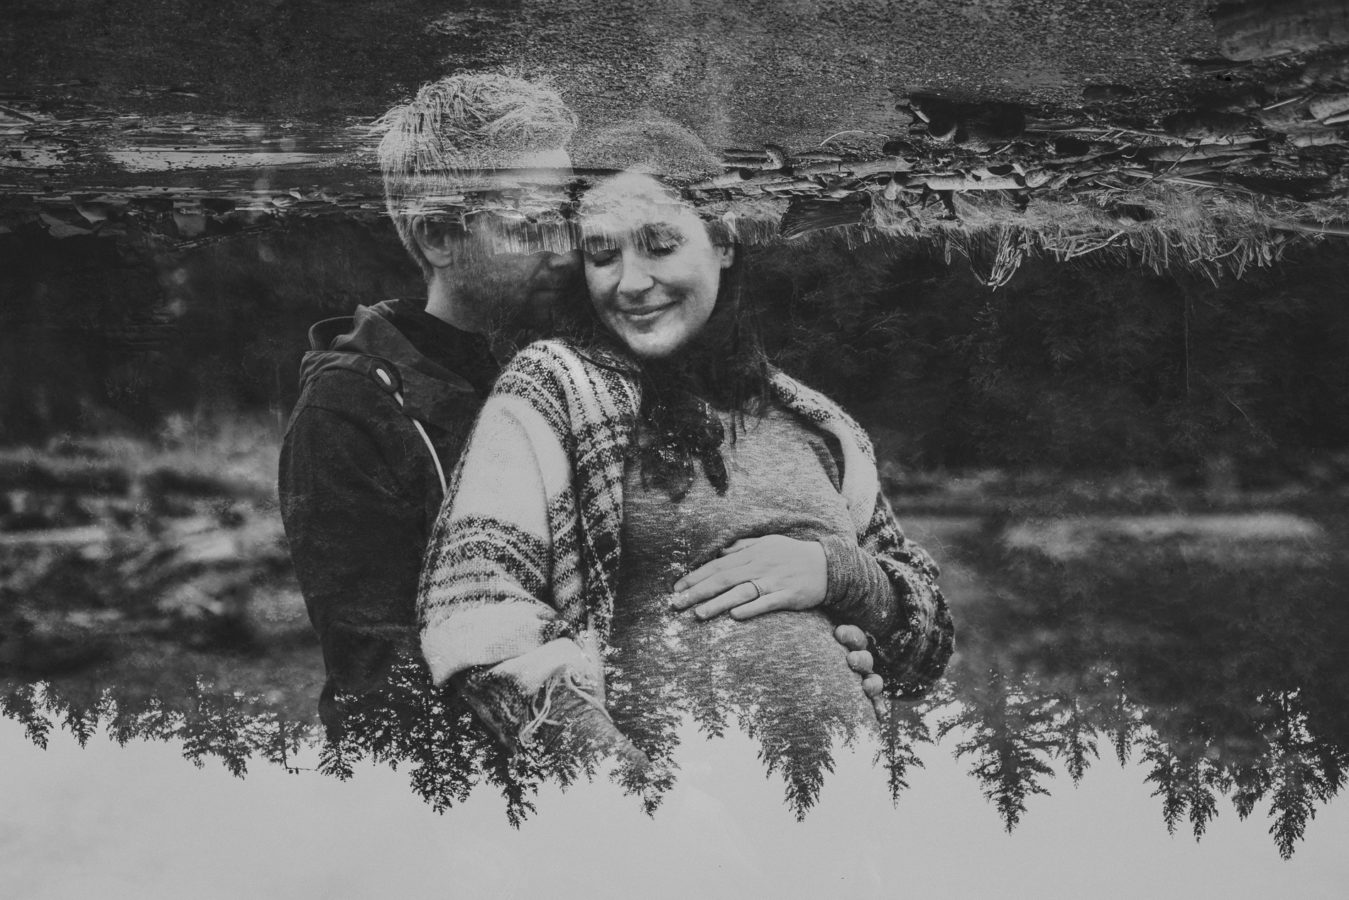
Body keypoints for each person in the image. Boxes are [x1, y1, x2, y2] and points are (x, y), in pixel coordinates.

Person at [417, 169, 954, 764]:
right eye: (602, 254)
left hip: (846, 818)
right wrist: (629, 792)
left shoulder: (818, 423)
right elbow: (473, 616)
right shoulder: (554, 387)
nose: (631, 282)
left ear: (724, 240)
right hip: (670, 832)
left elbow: (924, 650)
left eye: (659, 245)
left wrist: (841, 576)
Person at [278, 72, 580, 730]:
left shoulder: (553, 368)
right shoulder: (345, 413)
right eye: (531, 226)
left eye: (566, 217)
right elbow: (382, 686)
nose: (563, 249)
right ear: (440, 234)